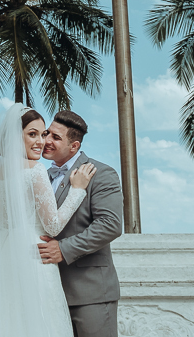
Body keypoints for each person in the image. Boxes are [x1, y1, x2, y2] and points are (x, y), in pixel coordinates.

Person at [0, 104, 96, 337]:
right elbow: (53, 226)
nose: (40, 141)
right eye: (32, 134)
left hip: (2, 258)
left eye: (43, 133)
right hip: (32, 255)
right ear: (16, 138)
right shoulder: (35, 171)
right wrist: (77, 190)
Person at [38, 110, 124, 337]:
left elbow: (110, 224)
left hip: (91, 294)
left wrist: (63, 249)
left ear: (74, 146)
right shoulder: (42, 177)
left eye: (55, 137)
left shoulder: (102, 174)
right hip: (49, 293)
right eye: (47, 133)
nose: (46, 141)